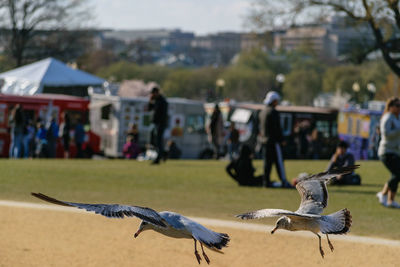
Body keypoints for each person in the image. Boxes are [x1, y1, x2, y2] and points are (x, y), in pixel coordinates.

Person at [259, 91, 291, 188]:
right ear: (274, 101)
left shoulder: (262, 112)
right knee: (279, 162)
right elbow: (277, 128)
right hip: (273, 142)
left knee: (267, 163)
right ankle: (283, 181)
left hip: (264, 141)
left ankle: (266, 182)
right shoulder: (273, 112)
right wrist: (282, 140)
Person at [376, 97, 400, 208]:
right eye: (397, 105)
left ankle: (390, 200)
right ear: (391, 107)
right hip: (386, 151)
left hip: (395, 151)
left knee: (396, 174)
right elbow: (386, 133)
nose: (399, 108)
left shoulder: (397, 117)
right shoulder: (387, 117)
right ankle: (385, 195)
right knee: (397, 174)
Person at [148, 86, 168, 164]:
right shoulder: (155, 100)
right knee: (154, 140)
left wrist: (160, 122)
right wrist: (150, 101)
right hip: (155, 123)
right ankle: (163, 153)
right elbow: (149, 108)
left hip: (160, 124)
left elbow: (163, 114)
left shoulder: (162, 101)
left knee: (158, 141)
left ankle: (158, 159)